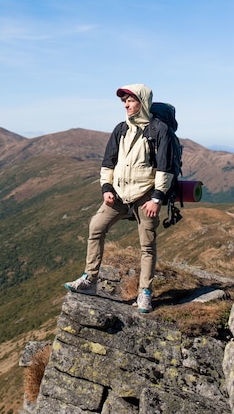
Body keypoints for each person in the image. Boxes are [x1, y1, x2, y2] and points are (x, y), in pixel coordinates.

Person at [65, 83, 174, 313]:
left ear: (142, 102)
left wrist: (156, 199)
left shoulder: (159, 130)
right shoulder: (121, 129)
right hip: (119, 194)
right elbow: (108, 162)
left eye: (131, 100)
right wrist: (106, 188)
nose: (126, 104)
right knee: (96, 226)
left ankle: (145, 293)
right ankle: (90, 280)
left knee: (147, 245)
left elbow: (165, 168)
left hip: (145, 195)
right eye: (124, 101)